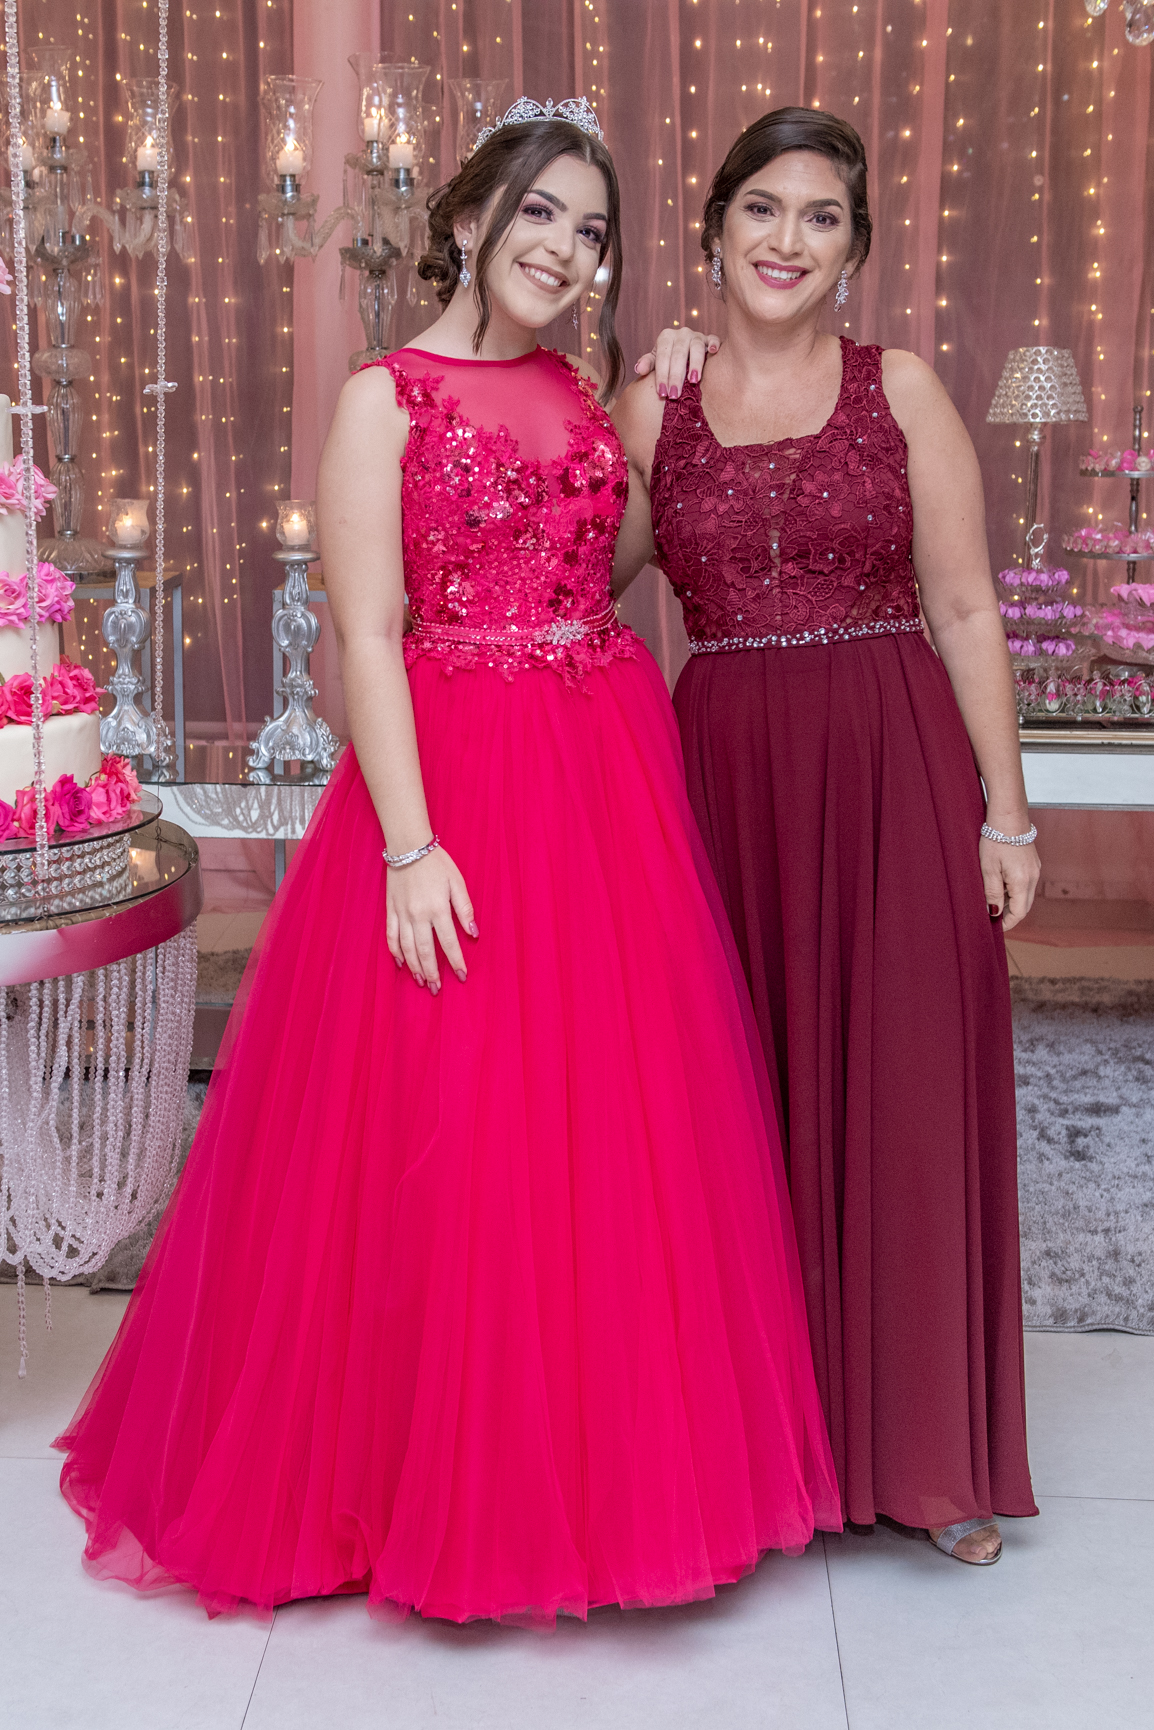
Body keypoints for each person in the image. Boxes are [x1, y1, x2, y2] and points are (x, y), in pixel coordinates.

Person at [54, 101, 839, 1625]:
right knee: (452, 1118)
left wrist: (666, 396)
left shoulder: (582, 387)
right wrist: (412, 847)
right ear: (471, 219)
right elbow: (365, 634)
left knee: (601, 1124)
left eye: (592, 229)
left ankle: (597, 1477)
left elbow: (612, 557)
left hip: (603, 766)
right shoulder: (386, 397)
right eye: (539, 213)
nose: (565, 248)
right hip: (454, 772)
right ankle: (427, 1485)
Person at [614, 106, 1039, 1566]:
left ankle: (927, 1457)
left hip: (893, 765)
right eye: (764, 208)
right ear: (715, 226)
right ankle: (760, 1458)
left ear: (853, 250)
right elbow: (575, 589)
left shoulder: (900, 387)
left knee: (909, 1093)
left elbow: (966, 607)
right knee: (731, 1111)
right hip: (721, 781)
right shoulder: (655, 404)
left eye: (822, 217)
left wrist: (1009, 812)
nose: (787, 240)